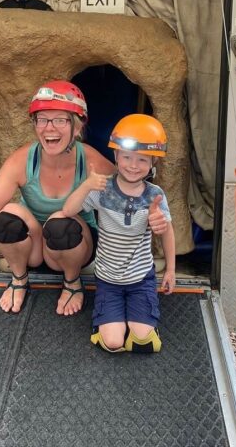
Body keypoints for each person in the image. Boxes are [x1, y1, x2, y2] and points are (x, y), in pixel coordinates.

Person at [0, 80, 116, 315]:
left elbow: (127, 190)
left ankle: (72, 282)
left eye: (60, 120)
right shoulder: (21, 160)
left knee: (61, 222)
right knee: (6, 217)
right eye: (42, 119)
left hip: (76, 246)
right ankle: (19, 278)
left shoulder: (90, 160)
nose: (49, 128)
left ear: (76, 127)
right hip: (36, 249)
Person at [62, 114, 175, 353]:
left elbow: (167, 232)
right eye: (127, 157)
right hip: (108, 280)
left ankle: (137, 321)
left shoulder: (155, 195)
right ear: (116, 156)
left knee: (144, 344)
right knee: (113, 343)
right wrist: (86, 185)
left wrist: (171, 270)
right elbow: (68, 210)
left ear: (153, 163)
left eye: (142, 160)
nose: (133, 165)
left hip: (141, 279)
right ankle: (110, 324)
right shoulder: (103, 189)